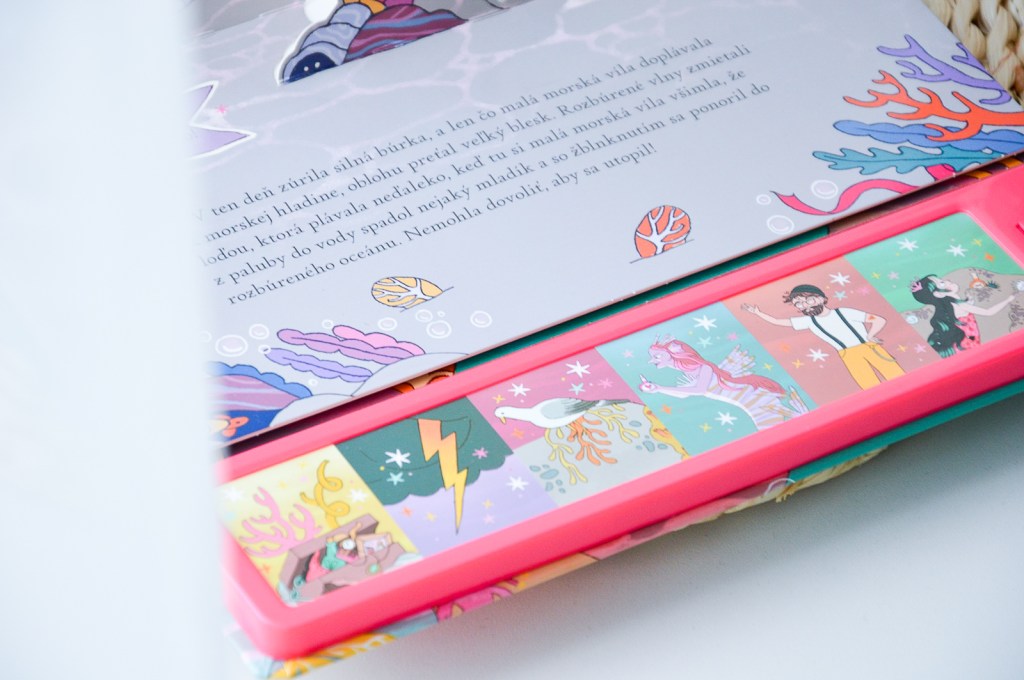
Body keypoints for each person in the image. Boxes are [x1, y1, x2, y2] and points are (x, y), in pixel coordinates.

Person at [741, 283, 905, 389]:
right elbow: (778, 322)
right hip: (848, 355)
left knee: (897, 376)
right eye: (799, 303)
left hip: (869, 347)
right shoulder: (809, 321)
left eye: (808, 300)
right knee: (869, 386)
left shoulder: (843, 312)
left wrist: (871, 335)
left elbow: (878, 320)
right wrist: (758, 313)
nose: (805, 305)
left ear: (821, 298)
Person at [910, 275, 1017, 357]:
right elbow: (988, 312)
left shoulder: (948, 306)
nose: (948, 281)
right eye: (942, 283)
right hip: (968, 344)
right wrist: (1009, 299)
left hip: (964, 343)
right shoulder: (957, 304)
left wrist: (969, 303)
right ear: (938, 294)